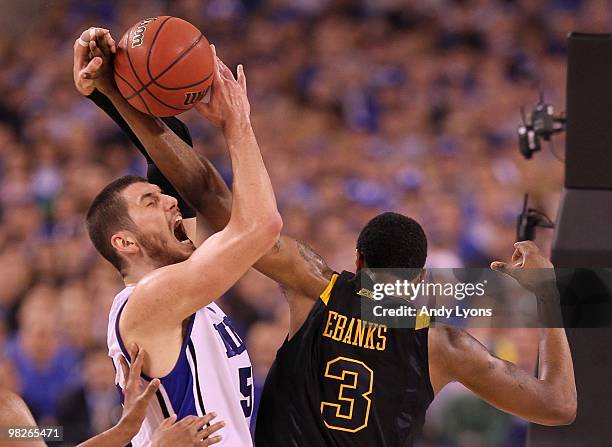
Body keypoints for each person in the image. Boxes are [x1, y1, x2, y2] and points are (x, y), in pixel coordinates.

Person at [75, 29, 576, 447]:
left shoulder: (315, 285)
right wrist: (545, 297)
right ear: (420, 277)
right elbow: (558, 406)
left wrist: (118, 93)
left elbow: (206, 192)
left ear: (356, 261)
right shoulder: (443, 344)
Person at [74, 28, 282, 446]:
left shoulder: (184, 286)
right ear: (125, 243)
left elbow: (175, 164)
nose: (170, 203)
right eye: (151, 203)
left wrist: (109, 86)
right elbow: (262, 225)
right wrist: (236, 120)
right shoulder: (149, 300)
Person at [0, 345, 222, 447]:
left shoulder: (14, 413)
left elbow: (29, 434)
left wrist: (122, 431)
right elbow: (56, 431)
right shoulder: (69, 402)